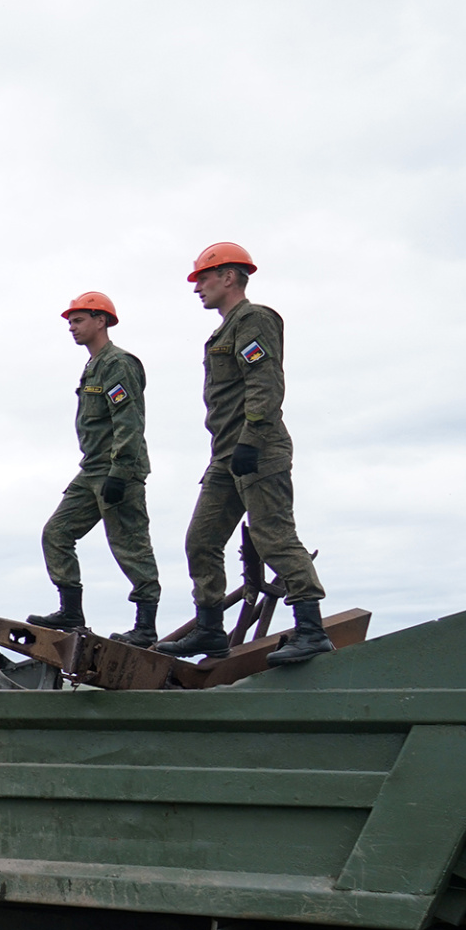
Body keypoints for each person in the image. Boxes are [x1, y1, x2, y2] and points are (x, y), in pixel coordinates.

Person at [155, 241, 333, 666]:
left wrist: (252, 441)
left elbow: (265, 381)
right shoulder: (223, 329)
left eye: (203, 278)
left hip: (258, 447)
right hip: (225, 454)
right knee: (201, 540)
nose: (197, 287)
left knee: (273, 536)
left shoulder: (254, 319)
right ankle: (211, 630)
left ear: (229, 276)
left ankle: (311, 629)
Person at [33, 290, 161, 644]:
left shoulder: (118, 363)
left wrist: (120, 474)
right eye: (70, 322)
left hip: (118, 470)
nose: (71, 327)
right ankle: (70, 610)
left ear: (101, 320)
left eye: (78, 320)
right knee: (56, 533)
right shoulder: (93, 365)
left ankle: (146, 626)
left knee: (130, 545)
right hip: (91, 470)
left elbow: (129, 421)